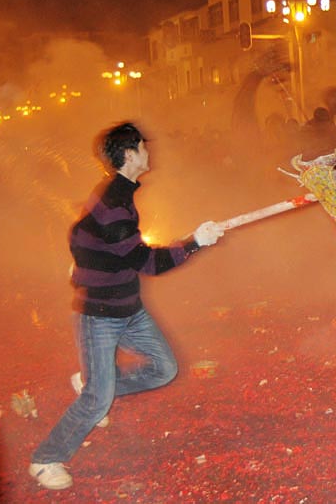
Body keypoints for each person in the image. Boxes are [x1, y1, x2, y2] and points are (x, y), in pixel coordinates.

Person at [29, 122, 225, 490]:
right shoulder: (115, 207)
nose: (150, 153)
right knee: (97, 401)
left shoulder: (116, 194)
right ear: (130, 154)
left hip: (129, 309)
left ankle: (93, 383)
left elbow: (79, 231)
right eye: (143, 147)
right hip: (99, 316)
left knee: (163, 369)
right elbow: (150, 264)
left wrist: (86, 263)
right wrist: (196, 242)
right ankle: (46, 458)